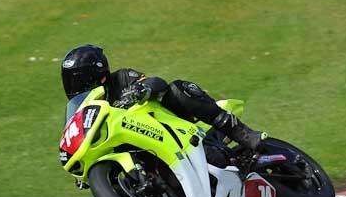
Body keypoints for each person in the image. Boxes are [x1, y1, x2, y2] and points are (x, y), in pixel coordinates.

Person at [61, 44, 265, 152]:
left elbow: (156, 82)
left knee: (178, 89)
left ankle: (242, 133)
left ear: (97, 75)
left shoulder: (122, 78)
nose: (74, 86)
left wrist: (141, 90)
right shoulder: (83, 110)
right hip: (137, 147)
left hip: (172, 127)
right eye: (70, 81)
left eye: (78, 80)